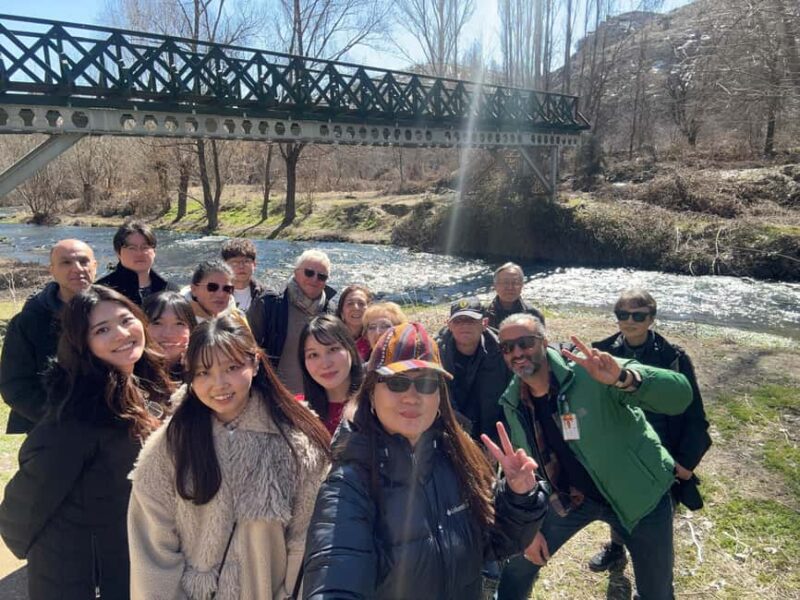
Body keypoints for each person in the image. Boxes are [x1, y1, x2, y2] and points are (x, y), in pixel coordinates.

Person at [303, 322, 548, 599]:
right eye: (397, 382)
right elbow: (335, 574)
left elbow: (493, 546)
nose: (412, 396)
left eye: (426, 383)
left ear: (439, 396)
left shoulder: (460, 461)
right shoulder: (349, 485)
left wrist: (519, 498)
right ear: (371, 392)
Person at [128, 315, 330, 600]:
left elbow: (305, 539)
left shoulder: (297, 442)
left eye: (232, 367)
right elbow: (152, 546)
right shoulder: (170, 446)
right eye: (203, 373)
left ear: (256, 363)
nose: (219, 384)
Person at [495, 314, 693, 600]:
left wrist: (623, 378)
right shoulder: (513, 402)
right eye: (507, 347)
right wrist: (527, 528)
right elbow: (528, 469)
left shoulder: (591, 369)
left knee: (657, 591)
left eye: (524, 343)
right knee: (518, 565)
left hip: (637, 493)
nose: (516, 353)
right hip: (573, 498)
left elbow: (679, 394)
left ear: (544, 341)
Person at [0, 285, 172, 600]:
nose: (122, 334)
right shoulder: (78, 414)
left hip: (130, 554)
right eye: (102, 329)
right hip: (82, 573)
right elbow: (25, 502)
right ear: (83, 343)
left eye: (125, 320)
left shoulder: (144, 385)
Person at [586, 289, 712, 573]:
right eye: (623, 314)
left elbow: (695, 415)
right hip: (621, 446)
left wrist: (687, 463)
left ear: (651, 318)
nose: (630, 321)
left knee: (659, 514)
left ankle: (655, 573)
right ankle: (616, 549)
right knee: (616, 503)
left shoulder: (674, 357)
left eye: (638, 315)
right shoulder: (601, 352)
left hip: (663, 449)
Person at [0, 238, 97, 433]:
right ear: (51, 270)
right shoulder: (29, 320)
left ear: (95, 266)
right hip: (50, 427)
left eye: (84, 261)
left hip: (109, 426)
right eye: (66, 262)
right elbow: (15, 385)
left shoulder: (116, 313)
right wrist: (58, 417)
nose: (77, 268)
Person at [250, 249, 337, 395]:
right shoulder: (269, 303)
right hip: (274, 395)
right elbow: (248, 344)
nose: (315, 279)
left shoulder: (331, 311)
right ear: (296, 273)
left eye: (321, 276)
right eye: (309, 273)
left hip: (316, 397)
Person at [436, 296, 511, 441]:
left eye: (470, 320)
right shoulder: (434, 353)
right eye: (458, 321)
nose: (464, 326)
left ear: (484, 323)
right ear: (449, 325)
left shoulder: (504, 352)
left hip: (491, 435)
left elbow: (513, 402)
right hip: (448, 434)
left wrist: (498, 440)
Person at [299, 315, 364, 435]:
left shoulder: (378, 405)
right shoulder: (298, 411)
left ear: (351, 350)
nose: (325, 364)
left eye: (333, 349)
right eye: (313, 355)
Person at [96, 221, 177, 305]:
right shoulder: (101, 292)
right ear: (118, 253)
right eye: (132, 248)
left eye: (145, 247)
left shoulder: (170, 290)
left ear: (154, 251)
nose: (139, 253)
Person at [143, 291, 198, 382]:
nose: (168, 334)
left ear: (192, 330)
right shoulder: (128, 372)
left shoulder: (204, 369)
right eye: (157, 323)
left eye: (179, 324)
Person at [484, 262, 545, 330]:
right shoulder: (484, 314)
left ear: (522, 285)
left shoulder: (534, 315)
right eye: (505, 282)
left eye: (515, 283)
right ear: (495, 286)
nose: (510, 287)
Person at [221, 238, 268, 322]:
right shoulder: (214, 293)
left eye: (246, 261)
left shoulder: (267, 296)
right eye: (235, 262)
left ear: (254, 264)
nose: (241, 266)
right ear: (224, 265)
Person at [335, 284, 374, 361]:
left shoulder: (376, 336)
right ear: (342, 312)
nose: (356, 307)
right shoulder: (330, 337)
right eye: (350, 303)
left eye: (361, 303)